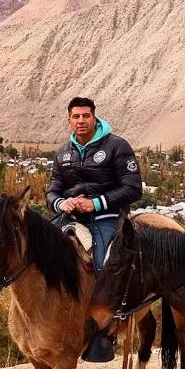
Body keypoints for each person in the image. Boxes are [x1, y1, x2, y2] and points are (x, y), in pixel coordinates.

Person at [46, 97, 142, 272]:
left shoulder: (117, 146)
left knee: (104, 268)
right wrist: (63, 203)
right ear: (69, 121)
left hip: (107, 217)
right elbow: (52, 192)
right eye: (76, 117)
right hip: (71, 217)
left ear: (94, 118)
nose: (81, 121)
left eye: (86, 115)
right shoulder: (62, 152)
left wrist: (94, 203)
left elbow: (133, 188)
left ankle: (113, 300)